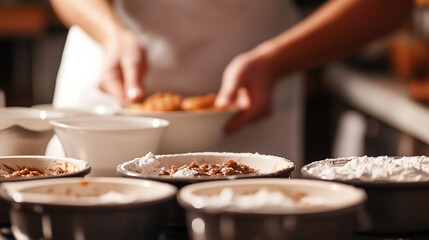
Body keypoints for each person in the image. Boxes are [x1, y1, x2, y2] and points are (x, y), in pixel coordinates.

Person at [49, 0, 412, 171]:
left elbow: (388, 6)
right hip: (107, 104)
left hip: (251, 116)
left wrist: (275, 60)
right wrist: (110, 34)